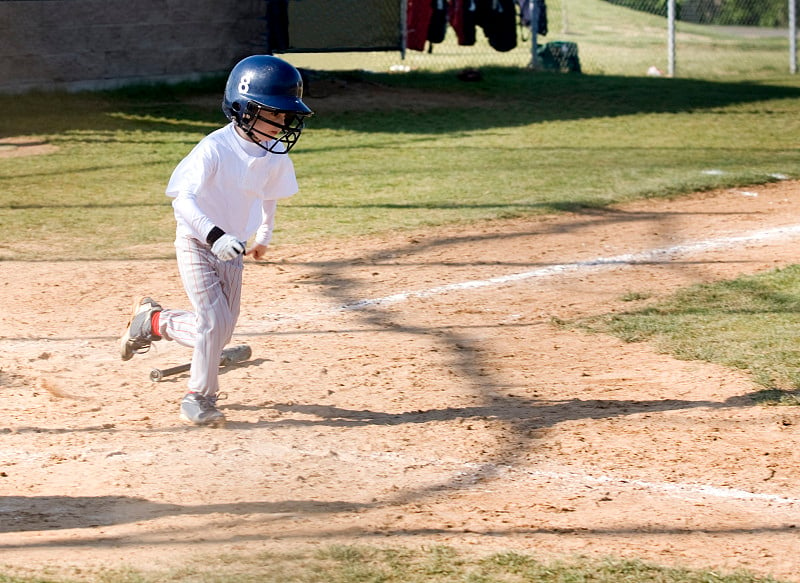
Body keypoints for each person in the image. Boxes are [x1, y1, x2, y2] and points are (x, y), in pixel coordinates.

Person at [119, 54, 314, 426]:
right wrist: (214, 235)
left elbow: (268, 194)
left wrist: (264, 235)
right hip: (196, 241)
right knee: (213, 322)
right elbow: (183, 200)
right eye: (274, 113)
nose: (283, 122)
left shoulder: (273, 153)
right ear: (243, 109)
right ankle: (199, 398)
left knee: (220, 329)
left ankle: (153, 322)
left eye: (286, 115)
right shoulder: (214, 149)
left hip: (234, 248)